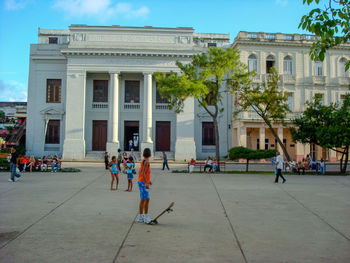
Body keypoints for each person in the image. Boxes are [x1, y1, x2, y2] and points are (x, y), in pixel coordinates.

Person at [136, 148, 152, 224]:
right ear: (150, 154)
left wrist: (149, 181)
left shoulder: (143, 161)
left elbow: (145, 173)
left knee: (143, 199)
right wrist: (146, 183)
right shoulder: (146, 162)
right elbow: (143, 173)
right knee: (147, 199)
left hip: (141, 181)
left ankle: (141, 217)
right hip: (142, 183)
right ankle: (146, 217)